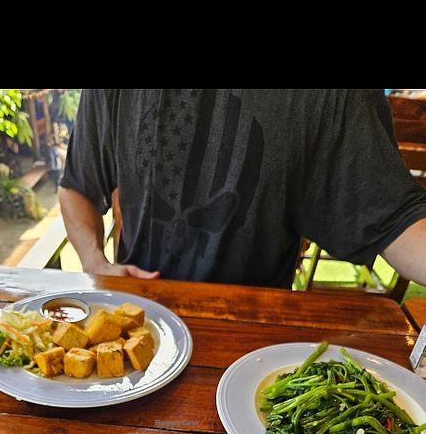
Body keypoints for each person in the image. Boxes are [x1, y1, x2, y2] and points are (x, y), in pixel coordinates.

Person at [58, 89, 426, 287]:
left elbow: (398, 220)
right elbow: (77, 187)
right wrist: (95, 262)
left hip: (255, 341)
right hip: (137, 320)